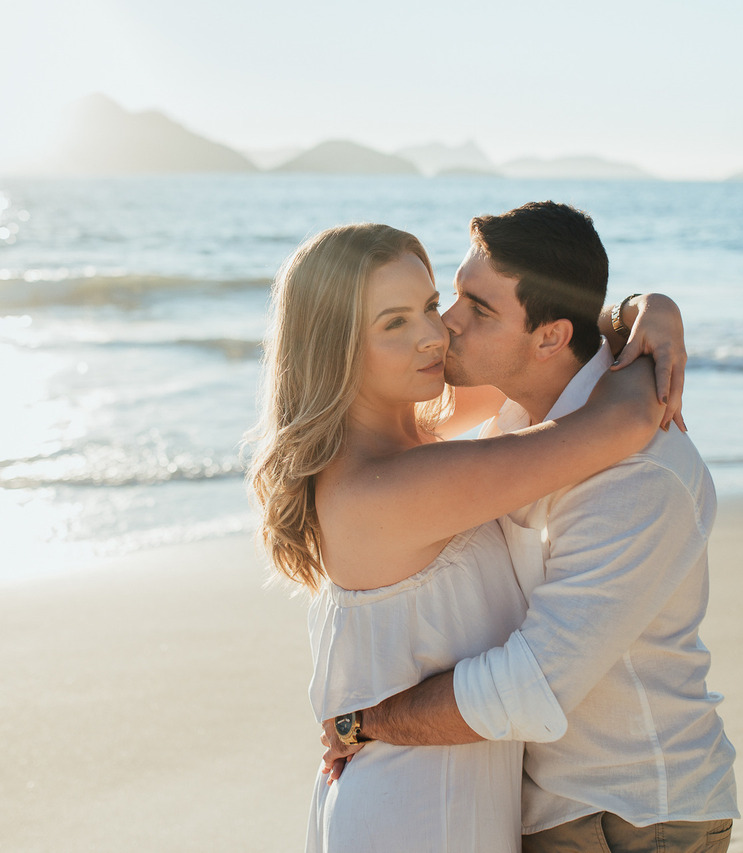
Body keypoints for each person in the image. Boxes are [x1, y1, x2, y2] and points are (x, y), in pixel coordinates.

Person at [247, 220, 686, 852]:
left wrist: (644, 310)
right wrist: (654, 325)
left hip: (445, 806)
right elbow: (624, 417)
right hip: (414, 818)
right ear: (334, 348)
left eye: (429, 305)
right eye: (393, 322)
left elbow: (551, 355)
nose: (434, 333)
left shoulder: (420, 430)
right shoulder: (386, 489)